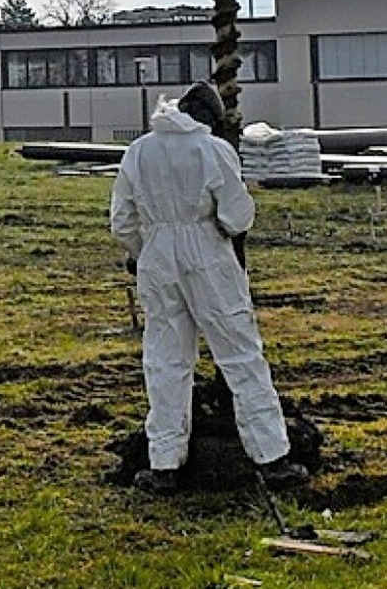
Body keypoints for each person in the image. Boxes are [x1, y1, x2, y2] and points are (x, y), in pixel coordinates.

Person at [110, 79, 308, 495]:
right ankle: (271, 457)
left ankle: (164, 463)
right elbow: (237, 215)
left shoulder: (139, 150)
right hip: (207, 254)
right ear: (209, 120)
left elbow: (122, 220)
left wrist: (144, 249)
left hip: (158, 257)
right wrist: (220, 230)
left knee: (165, 360)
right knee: (240, 354)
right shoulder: (213, 149)